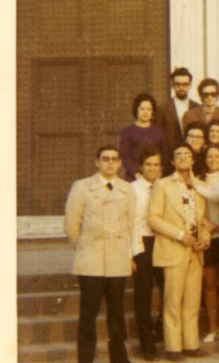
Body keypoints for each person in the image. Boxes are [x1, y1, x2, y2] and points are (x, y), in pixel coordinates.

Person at [63, 145, 136, 363]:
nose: (110, 163)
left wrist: (127, 254)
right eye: (105, 159)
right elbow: (71, 224)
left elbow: (131, 225)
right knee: (88, 315)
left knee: (116, 315)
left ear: (120, 163)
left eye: (114, 159)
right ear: (97, 162)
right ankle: (85, 359)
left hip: (117, 259)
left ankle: (119, 359)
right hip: (91, 260)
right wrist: (86, 246)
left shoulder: (126, 189)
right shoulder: (82, 187)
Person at [148, 144, 211, 361]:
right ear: (173, 161)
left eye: (187, 154)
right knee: (173, 300)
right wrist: (179, 234)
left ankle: (191, 344)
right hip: (174, 248)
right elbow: (153, 218)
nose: (184, 158)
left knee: (192, 300)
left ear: (193, 160)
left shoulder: (200, 185)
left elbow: (203, 219)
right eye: (178, 155)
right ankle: (173, 347)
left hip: (196, 251)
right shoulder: (163, 185)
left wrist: (205, 239)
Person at [193, 144, 219, 345]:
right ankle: (212, 328)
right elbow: (192, 208)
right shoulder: (199, 180)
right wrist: (205, 223)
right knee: (209, 285)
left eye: (217, 156)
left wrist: (192, 182)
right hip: (207, 237)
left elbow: (217, 196)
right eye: (209, 156)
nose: (213, 159)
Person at [131, 148, 165, 361]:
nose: (152, 168)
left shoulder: (166, 187)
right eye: (148, 164)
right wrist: (133, 252)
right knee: (143, 294)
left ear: (161, 168)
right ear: (141, 167)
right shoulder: (132, 189)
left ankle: (162, 330)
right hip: (142, 243)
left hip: (164, 242)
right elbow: (130, 222)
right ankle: (147, 344)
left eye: (156, 164)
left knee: (168, 290)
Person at [119, 93, 168, 181]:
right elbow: (124, 156)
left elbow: (165, 153)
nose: (145, 112)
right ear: (136, 110)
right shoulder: (127, 131)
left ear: (153, 112)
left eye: (149, 109)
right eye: (142, 109)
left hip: (155, 176)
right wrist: (136, 174)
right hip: (134, 177)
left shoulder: (159, 131)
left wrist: (160, 171)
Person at [155, 67, 199, 165]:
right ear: (172, 85)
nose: (181, 87)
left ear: (190, 85)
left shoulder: (197, 107)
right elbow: (157, 137)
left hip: (193, 159)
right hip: (169, 159)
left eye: (185, 84)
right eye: (177, 84)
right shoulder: (162, 109)